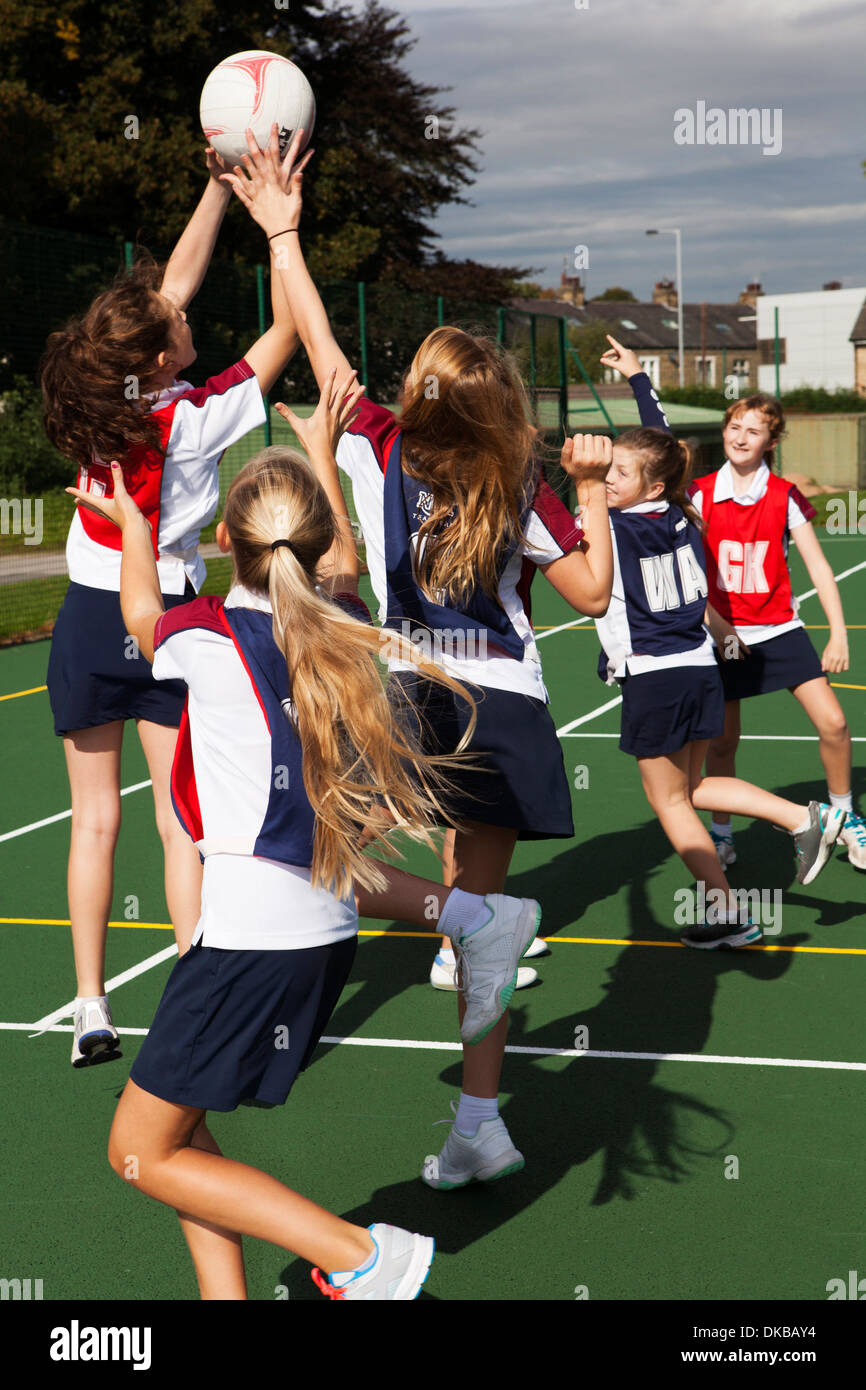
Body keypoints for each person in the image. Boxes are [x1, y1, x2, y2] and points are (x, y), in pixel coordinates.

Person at [67, 369, 541, 1300]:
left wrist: (132, 526)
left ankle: (367, 1257)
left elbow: (133, 613)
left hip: (249, 942)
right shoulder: (343, 626)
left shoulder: (204, 632)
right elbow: (345, 571)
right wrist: (321, 454)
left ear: (225, 543)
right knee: (178, 1133)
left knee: (135, 1152)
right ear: (315, 544)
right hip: (321, 930)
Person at [220, 127, 614, 1186]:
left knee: (312, 837)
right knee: (480, 933)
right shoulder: (514, 475)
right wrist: (589, 493)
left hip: (415, 698)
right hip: (510, 711)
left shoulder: (381, 444)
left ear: (421, 387)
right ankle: (480, 1117)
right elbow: (589, 594)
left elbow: (310, 341)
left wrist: (283, 232)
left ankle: (457, 925)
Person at [39, 138, 315, 1067]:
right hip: (165, 624)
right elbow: (284, 335)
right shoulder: (193, 418)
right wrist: (282, 230)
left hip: (87, 617)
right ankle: (196, 989)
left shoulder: (95, 390)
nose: (185, 312)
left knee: (95, 821)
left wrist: (213, 186)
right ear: (164, 354)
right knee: (179, 818)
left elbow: (169, 293)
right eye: (177, 323)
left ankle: (88, 1007)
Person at [591, 336, 845, 948]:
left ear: (646, 486)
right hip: (700, 667)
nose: (606, 478)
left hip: (654, 674)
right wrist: (638, 381)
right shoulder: (681, 507)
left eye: (617, 474)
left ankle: (797, 820)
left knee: (670, 802)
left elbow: (647, 463)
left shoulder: (614, 528)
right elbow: (661, 449)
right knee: (692, 791)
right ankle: (730, 911)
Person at [686, 390, 865, 871]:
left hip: (779, 629)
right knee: (723, 741)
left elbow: (819, 568)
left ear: (771, 440)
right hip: (724, 633)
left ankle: (845, 820)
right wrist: (717, 628)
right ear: (724, 431)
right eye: (735, 427)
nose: (741, 437)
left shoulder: (784, 495)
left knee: (835, 723)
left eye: (754, 430)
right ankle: (721, 837)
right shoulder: (699, 493)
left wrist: (838, 633)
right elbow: (688, 574)